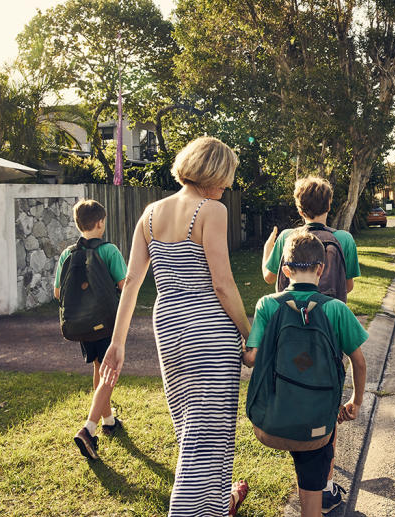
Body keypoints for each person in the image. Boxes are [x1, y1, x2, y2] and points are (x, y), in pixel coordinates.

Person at [99, 136, 252, 516]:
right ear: (211, 172)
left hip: (168, 327)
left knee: (191, 426)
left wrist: (117, 343)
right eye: (226, 177)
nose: (227, 186)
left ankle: (218, 505)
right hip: (208, 328)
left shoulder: (149, 214)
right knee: (210, 431)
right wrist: (252, 334)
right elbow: (222, 283)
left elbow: (132, 283)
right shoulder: (211, 210)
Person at [246, 229, 367, 517]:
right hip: (317, 423)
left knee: (297, 446)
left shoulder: (267, 305)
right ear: (321, 269)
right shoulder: (336, 309)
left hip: (272, 421)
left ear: (285, 270)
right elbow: (359, 362)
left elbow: (251, 359)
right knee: (312, 472)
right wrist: (356, 402)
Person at [53, 199, 127, 460]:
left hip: (82, 325)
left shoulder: (67, 254)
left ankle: (108, 420)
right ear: (101, 222)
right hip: (106, 323)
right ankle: (89, 429)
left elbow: (57, 292)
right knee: (110, 370)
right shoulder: (109, 251)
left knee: (98, 367)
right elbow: (124, 285)